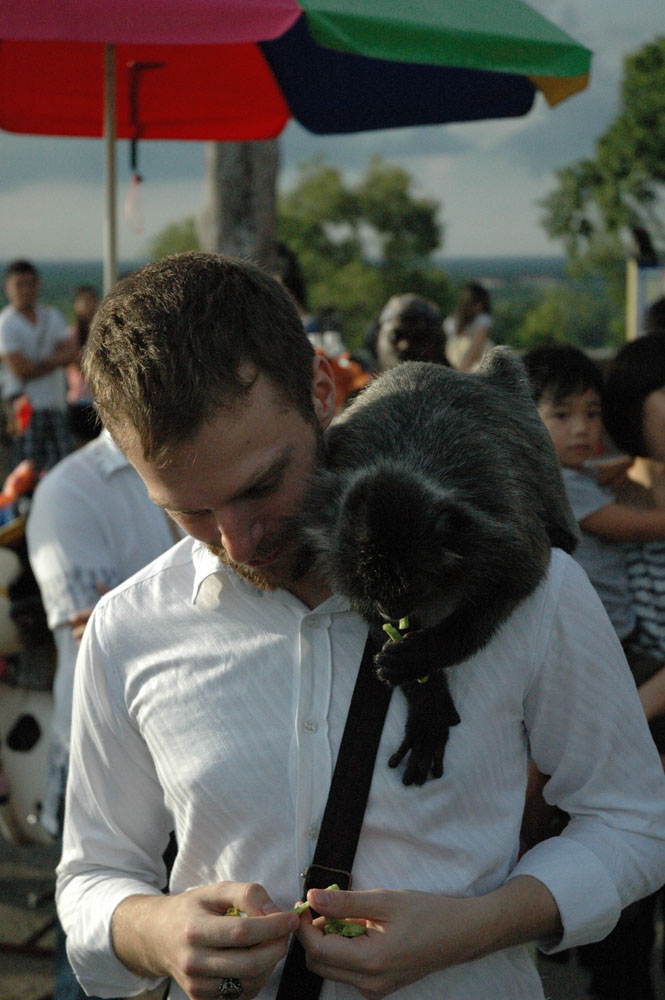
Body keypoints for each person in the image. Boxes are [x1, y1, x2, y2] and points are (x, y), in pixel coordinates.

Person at [56, 253, 665, 1000]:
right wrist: (154, 932)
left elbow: (634, 819)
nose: (237, 541)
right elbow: (92, 874)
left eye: (260, 486)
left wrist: (475, 926)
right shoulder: (130, 626)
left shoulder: (522, 583)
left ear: (321, 390)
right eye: (188, 512)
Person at [523, 342, 665, 1000]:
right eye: (562, 416)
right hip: (607, 658)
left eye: (591, 412)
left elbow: (607, 473)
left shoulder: (579, 475)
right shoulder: (551, 491)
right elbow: (640, 528)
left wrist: (625, 465)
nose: (582, 428)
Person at [26, 427, 183, 1000]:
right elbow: (90, 630)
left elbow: (116, 622)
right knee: (97, 951)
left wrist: (135, 615)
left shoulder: (222, 456)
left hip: (195, 748)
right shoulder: (72, 489)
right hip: (108, 748)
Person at [0, 260, 77, 471]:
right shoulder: (6, 323)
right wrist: (54, 359)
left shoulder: (51, 316)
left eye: (30, 284)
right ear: (8, 288)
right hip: (25, 407)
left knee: (62, 467)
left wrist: (37, 365)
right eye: (19, 285)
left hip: (55, 405)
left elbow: (71, 353)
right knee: (26, 471)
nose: (26, 290)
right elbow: (20, 370)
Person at [374, 292, 449, 371]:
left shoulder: (458, 381)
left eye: (418, 338)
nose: (405, 346)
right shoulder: (361, 378)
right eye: (396, 336)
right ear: (378, 337)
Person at [65, 284, 100, 446]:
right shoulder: (71, 335)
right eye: (83, 301)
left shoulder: (101, 333)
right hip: (79, 399)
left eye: (91, 300)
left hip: (100, 399)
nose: (88, 305)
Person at [443, 280, 493, 372]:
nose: (479, 307)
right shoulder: (452, 322)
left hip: (464, 368)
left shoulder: (481, 320)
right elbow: (474, 350)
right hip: (460, 367)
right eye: (476, 303)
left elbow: (475, 350)